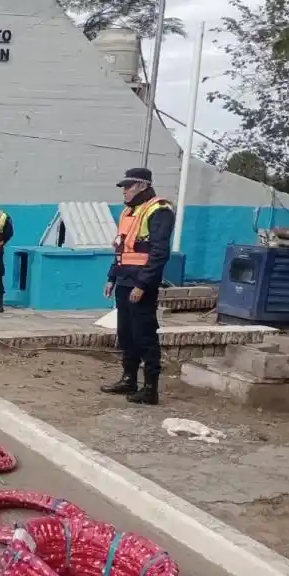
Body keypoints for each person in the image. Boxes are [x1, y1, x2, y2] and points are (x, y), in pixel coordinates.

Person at [101, 167, 175, 405]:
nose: (124, 191)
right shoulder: (128, 212)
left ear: (142, 186)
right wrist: (111, 277)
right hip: (124, 280)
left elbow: (159, 253)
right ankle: (128, 379)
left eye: (128, 186)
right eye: (123, 186)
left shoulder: (159, 210)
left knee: (145, 335)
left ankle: (150, 389)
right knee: (126, 333)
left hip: (141, 284)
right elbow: (121, 248)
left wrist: (142, 284)